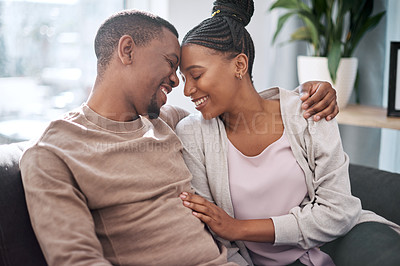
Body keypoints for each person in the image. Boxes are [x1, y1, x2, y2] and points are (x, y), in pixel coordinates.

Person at [20, 9, 338, 266]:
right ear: (126, 50)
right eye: (172, 64)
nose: (177, 82)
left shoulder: (171, 122)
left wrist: (304, 96)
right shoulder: (53, 153)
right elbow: (78, 260)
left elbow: (240, 112)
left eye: (187, 73)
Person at [176, 1, 400, 266]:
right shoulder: (193, 134)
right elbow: (216, 233)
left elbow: (340, 213)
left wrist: (239, 228)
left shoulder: (308, 110)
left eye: (196, 75)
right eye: (183, 78)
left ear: (239, 65)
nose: (188, 89)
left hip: (342, 239)